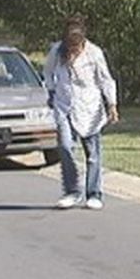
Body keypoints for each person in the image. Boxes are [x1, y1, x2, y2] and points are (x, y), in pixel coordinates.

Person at [45, 15, 119, 210]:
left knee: (93, 154)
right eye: (69, 48)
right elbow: (47, 72)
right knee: (65, 147)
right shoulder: (56, 51)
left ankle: (94, 193)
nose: (72, 53)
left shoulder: (95, 53)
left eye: (76, 48)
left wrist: (112, 105)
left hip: (90, 107)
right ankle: (72, 191)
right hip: (64, 105)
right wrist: (52, 91)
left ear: (83, 43)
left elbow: (106, 80)